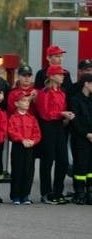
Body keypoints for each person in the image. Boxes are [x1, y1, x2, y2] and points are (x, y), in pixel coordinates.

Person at [35, 64, 74, 205]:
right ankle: (46, 193)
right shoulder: (44, 93)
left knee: (63, 160)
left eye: (63, 74)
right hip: (47, 127)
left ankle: (58, 191)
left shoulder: (62, 92)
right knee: (48, 160)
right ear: (51, 76)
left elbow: (62, 109)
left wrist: (65, 117)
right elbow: (44, 113)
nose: (62, 76)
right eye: (59, 74)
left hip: (58, 126)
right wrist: (61, 114)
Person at [8, 91, 41, 205]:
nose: (26, 103)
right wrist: (22, 140)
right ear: (16, 103)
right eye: (23, 101)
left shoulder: (32, 118)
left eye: (27, 101)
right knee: (17, 171)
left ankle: (25, 195)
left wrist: (33, 141)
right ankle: (16, 196)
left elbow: (37, 133)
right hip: (18, 147)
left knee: (28, 171)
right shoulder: (13, 117)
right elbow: (11, 131)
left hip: (30, 147)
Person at [69, 73, 92, 205]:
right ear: (86, 84)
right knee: (80, 166)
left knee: (90, 167)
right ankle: (79, 192)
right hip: (81, 138)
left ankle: (89, 191)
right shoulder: (75, 100)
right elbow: (75, 121)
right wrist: (86, 134)